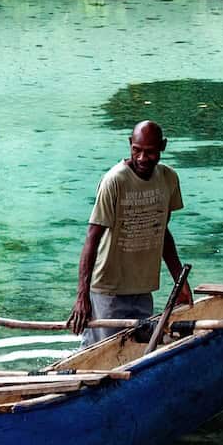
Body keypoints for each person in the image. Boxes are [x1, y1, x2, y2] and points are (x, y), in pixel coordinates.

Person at [66, 120, 191, 346]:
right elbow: (91, 240)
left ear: (163, 147)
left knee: (135, 351)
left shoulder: (168, 179)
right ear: (129, 145)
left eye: (150, 152)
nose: (143, 158)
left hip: (143, 288)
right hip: (108, 290)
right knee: (102, 351)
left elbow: (161, 232)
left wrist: (179, 281)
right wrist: (82, 297)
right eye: (137, 150)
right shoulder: (115, 181)